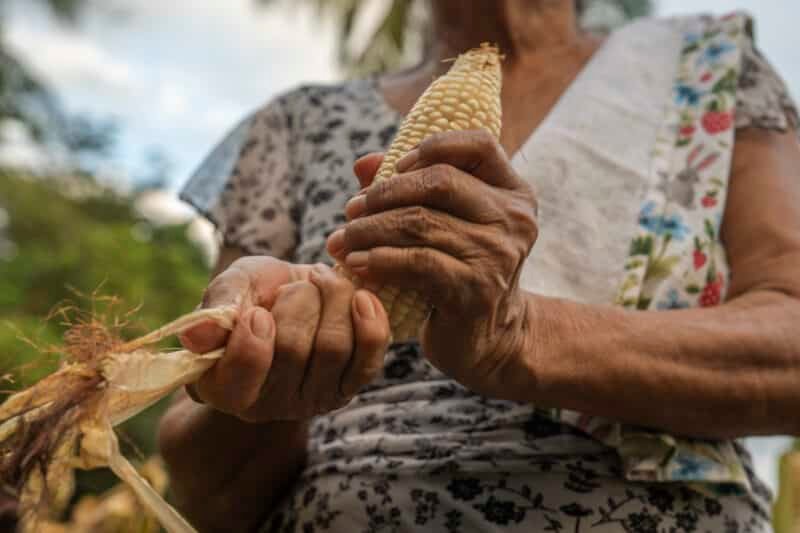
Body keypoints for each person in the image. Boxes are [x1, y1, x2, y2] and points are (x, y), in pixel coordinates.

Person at [160, 1, 800, 531]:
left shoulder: (708, 68)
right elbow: (207, 498)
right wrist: (259, 375)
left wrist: (519, 337)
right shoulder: (295, 123)